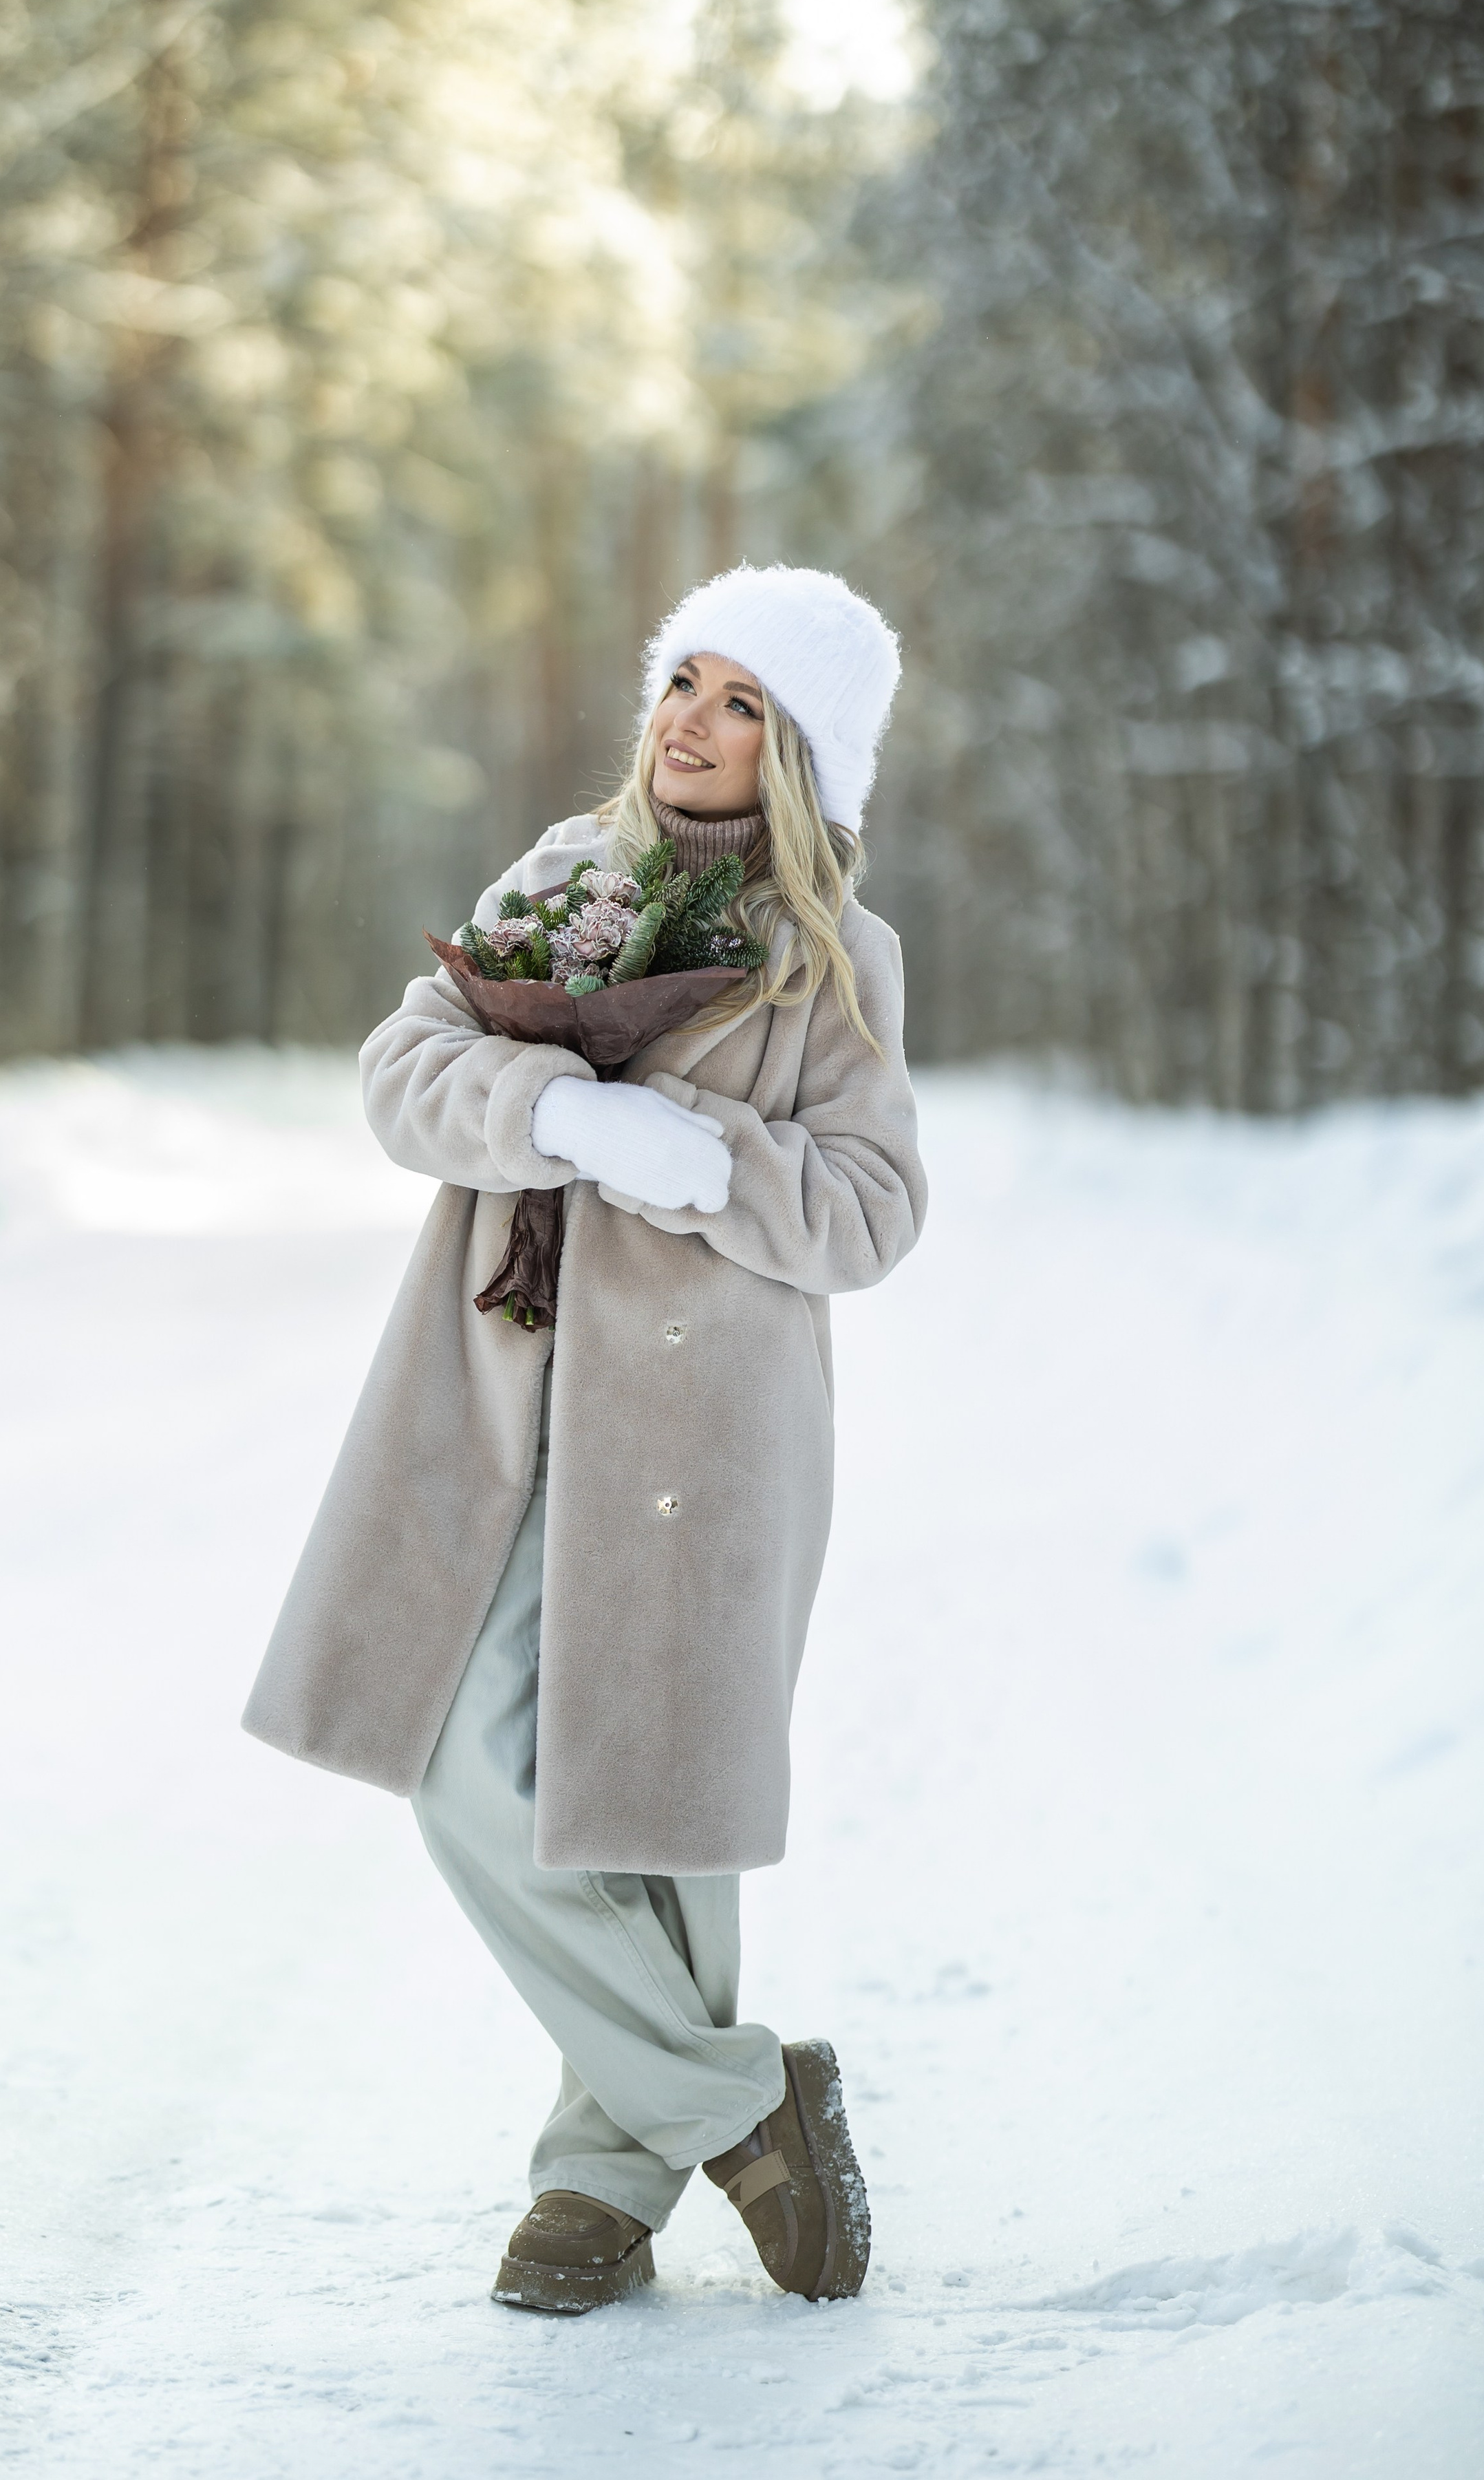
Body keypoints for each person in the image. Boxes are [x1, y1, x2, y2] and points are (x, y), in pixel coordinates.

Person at [244, 563, 927, 2313]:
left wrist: (707, 1163)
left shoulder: (835, 960)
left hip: (706, 1426)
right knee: (462, 1759)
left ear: (800, 757)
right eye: (680, 683)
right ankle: (733, 2104)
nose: (688, 723)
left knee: (662, 1805)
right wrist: (549, 1106)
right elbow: (407, 1074)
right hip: (502, 1390)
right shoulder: (565, 878)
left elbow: (870, 1211)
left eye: (740, 702)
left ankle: (597, 2176)